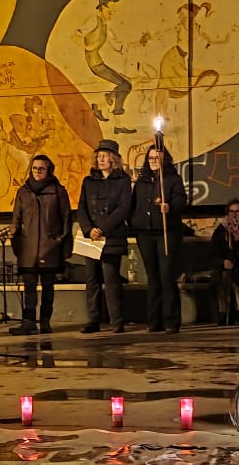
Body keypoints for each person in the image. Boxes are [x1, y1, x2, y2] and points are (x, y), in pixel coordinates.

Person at [75, 141, 132, 333]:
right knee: (92, 279)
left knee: (111, 279)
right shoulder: (88, 181)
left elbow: (123, 208)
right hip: (91, 238)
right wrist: (88, 229)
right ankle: (93, 320)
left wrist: (103, 228)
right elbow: (82, 207)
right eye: (99, 156)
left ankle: (116, 321)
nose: (101, 159)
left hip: (111, 236)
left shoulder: (123, 181)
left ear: (114, 158)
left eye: (105, 156)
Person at [10, 154, 71, 336]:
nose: (37, 171)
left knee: (47, 287)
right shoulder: (23, 192)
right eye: (35, 168)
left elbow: (66, 218)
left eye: (41, 168)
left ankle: (45, 321)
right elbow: (16, 218)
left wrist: (60, 240)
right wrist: (16, 238)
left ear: (48, 170)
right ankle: (28, 322)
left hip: (49, 248)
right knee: (29, 288)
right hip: (28, 249)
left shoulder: (58, 191)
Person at [130, 143, 186, 333]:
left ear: (164, 159)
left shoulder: (172, 179)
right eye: (151, 158)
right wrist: (134, 221)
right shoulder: (142, 181)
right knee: (153, 277)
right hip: (145, 233)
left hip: (165, 232)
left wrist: (170, 207)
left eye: (157, 158)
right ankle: (154, 320)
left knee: (166, 276)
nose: (153, 161)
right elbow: (135, 204)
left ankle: (171, 320)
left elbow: (181, 201)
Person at [211, 199, 239, 326]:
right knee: (222, 276)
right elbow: (212, 254)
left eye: (238, 211)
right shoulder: (221, 230)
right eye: (231, 211)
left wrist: (238, 238)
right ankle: (223, 313)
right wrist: (223, 262)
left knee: (237, 278)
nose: (234, 215)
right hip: (224, 268)